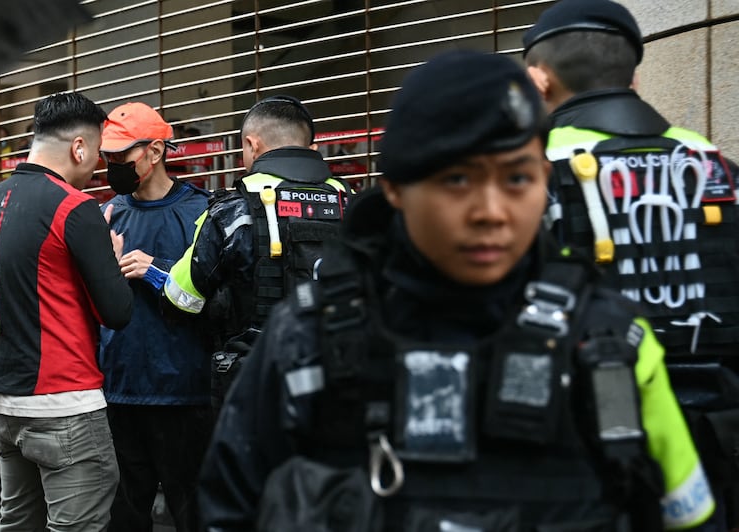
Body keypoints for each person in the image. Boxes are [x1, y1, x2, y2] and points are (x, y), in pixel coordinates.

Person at [197, 50, 715, 531]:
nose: (491, 211)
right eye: (457, 181)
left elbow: (687, 515)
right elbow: (230, 507)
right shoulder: (304, 339)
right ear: (396, 189)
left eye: (517, 179)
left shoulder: (608, 339)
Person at [522, 0, 739, 528]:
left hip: (582, 442)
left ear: (538, 81)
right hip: (722, 438)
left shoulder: (526, 181)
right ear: (633, 78)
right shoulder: (722, 171)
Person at [0, 91, 134, 531]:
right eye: (96, 152)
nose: (97, 164)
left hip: (1, 407)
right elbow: (117, 311)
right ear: (79, 147)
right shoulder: (76, 208)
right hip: (66, 409)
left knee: (17, 523)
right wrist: (112, 263)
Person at [162, 95, 351, 411]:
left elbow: (180, 298)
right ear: (312, 149)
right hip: (341, 380)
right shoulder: (354, 204)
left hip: (258, 390)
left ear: (252, 145)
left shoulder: (234, 211)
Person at [98, 102, 213, 532]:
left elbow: (215, 297)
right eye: (107, 158)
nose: (112, 166)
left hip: (183, 393)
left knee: (193, 514)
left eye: (121, 157)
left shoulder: (203, 212)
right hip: (120, 392)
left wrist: (156, 269)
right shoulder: (106, 215)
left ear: (156, 151)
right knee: (124, 518)